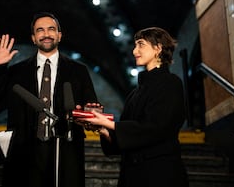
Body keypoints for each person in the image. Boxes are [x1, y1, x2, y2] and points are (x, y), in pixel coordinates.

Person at [0, 12, 98, 187]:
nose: (46, 34)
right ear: (33, 38)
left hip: (65, 153)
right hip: (24, 156)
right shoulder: (16, 72)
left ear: (59, 35)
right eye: (40, 30)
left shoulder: (78, 71)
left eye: (51, 29)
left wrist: (91, 114)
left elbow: (91, 108)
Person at [78, 27, 189, 187]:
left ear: (158, 48)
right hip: (132, 176)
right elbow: (124, 140)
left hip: (160, 175)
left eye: (141, 45)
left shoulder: (171, 83)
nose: (134, 51)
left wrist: (108, 123)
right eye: (135, 45)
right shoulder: (135, 93)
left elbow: (156, 127)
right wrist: (101, 128)